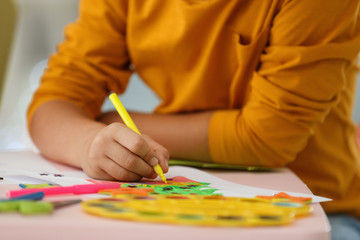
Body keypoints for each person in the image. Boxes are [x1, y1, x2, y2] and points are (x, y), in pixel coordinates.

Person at [27, 0, 360, 238]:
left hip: (320, 208)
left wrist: (107, 120)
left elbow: (268, 138)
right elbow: (53, 104)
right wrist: (86, 142)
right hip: (177, 200)